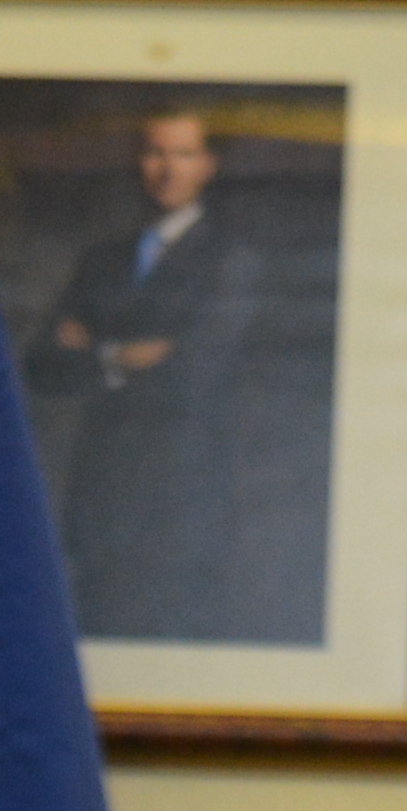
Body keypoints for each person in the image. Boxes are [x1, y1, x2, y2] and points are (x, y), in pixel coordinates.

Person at [27, 110, 297, 645]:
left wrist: (95, 349)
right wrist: (125, 355)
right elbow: (43, 366)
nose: (167, 170)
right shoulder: (101, 260)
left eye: (184, 154)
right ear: (138, 162)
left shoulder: (231, 262)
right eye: (155, 153)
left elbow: (195, 372)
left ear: (209, 166)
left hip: (182, 495)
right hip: (101, 492)